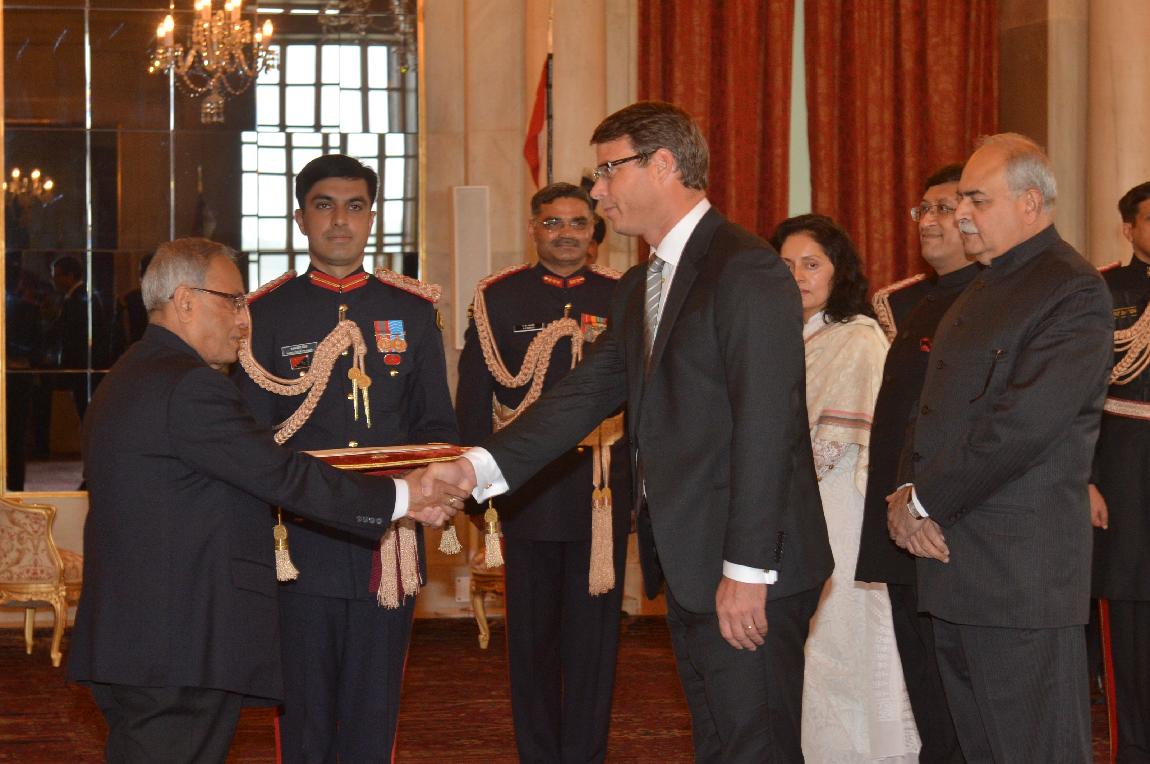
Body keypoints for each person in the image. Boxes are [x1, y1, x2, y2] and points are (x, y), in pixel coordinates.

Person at [422, 100, 834, 762]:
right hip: (693, 562)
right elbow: (581, 396)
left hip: (748, 567)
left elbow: (768, 427)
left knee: (756, 746)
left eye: (609, 171)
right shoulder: (644, 282)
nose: (598, 192)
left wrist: (748, 570)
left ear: (663, 164)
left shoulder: (745, 269)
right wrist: (472, 470)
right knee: (720, 744)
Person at [66, 237, 464, 764]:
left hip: (144, 641)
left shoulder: (131, 374)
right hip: (177, 648)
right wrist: (403, 495)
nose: (243, 320)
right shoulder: (189, 387)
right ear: (185, 301)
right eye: (232, 301)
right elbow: (282, 474)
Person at [887, 133, 1113, 761]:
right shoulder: (982, 287)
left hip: (1019, 578)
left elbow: (1023, 425)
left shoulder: (1071, 289)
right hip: (954, 565)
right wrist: (904, 493)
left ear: (1030, 203)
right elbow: (929, 409)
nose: (961, 214)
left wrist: (924, 502)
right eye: (960, 200)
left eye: (977, 200)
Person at [234, 154, 458, 763]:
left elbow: (437, 427)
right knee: (301, 713)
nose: (340, 220)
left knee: (373, 711)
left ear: (372, 219)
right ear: (300, 219)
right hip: (298, 544)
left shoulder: (412, 310)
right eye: (325, 206)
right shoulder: (263, 313)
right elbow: (250, 440)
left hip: (387, 544)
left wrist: (431, 493)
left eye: (355, 207)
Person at [456, 181, 631, 763]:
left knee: (594, 647)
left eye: (578, 223)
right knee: (529, 646)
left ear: (595, 230)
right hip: (523, 497)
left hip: (600, 495)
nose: (566, 234)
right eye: (553, 222)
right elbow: (475, 400)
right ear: (533, 228)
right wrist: (477, 495)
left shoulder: (623, 294)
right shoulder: (499, 297)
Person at [772, 214, 919, 762]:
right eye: (786, 265)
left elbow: (834, 445)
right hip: (790, 506)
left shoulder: (856, 336)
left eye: (811, 265)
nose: (797, 277)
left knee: (842, 635)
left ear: (839, 272)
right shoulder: (780, 337)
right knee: (805, 641)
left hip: (837, 506)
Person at [855, 164, 974, 762]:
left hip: (951, 529)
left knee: (962, 698)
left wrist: (927, 504)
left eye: (944, 208)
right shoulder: (915, 303)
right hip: (902, 525)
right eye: (923, 209)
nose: (928, 220)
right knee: (926, 689)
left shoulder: (990, 299)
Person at [1090, 181, 1150, 761]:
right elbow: (1079, 397)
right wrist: (1084, 479)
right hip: (1125, 469)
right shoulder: (1101, 291)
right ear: (1128, 229)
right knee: (1129, 611)